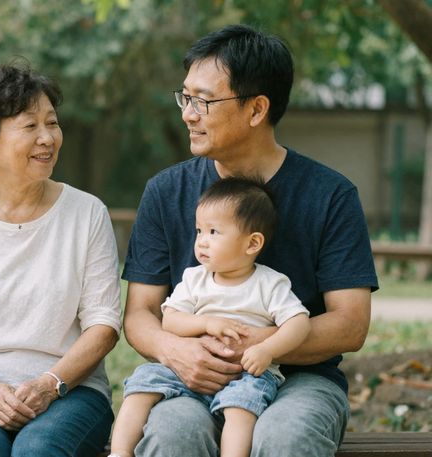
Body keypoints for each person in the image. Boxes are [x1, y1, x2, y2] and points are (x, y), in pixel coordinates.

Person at [122, 24, 379, 457]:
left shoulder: (330, 195)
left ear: (257, 109)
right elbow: (140, 313)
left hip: (301, 379)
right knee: (172, 435)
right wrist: (175, 350)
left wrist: (255, 345)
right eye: (186, 97)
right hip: (193, 376)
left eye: (203, 101)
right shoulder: (166, 192)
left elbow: (350, 324)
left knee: (284, 439)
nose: (188, 114)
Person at [0, 63, 121, 457]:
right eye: (30, 126)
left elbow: (104, 323)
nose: (47, 138)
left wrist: (49, 385)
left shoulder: (87, 213)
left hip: (70, 389)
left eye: (52, 123)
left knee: (39, 449)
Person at [110, 177, 311, 457]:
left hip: (246, 373)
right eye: (199, 231)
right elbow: (171, 320)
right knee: (144, 381)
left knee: (241, 407)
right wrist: (205, 323)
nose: (202, 241)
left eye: (214, 232)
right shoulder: (195, 278)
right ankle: (119, 452)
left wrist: (267, 349)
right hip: (189, 369)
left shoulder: (269, 284)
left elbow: (298, 323)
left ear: (252, 243)